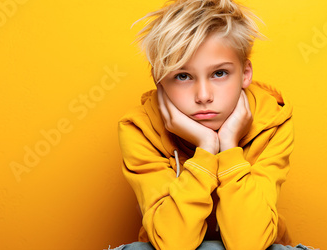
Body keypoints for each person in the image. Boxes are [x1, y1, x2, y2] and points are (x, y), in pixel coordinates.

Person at [113, 0, 314, 249]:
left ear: (245, 73)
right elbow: (174, 243)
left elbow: (249, 244)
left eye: (219, 73)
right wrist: (206, 148)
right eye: (183, 76)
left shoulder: (271, 121)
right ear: (159, 81)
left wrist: (229, 147)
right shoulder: (140, 128)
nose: (204, 95)